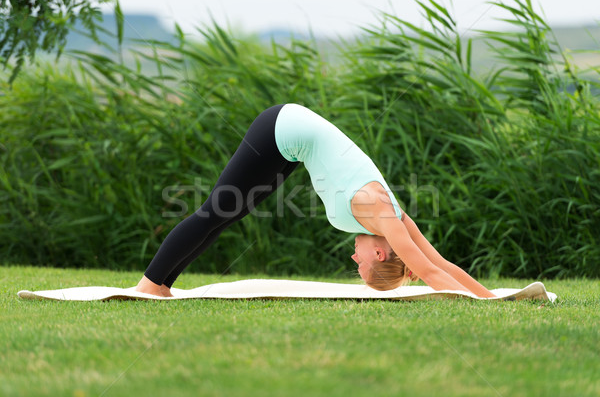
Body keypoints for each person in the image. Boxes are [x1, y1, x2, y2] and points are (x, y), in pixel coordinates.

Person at [135, 104, 496, 298]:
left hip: (293, 145)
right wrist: (478, 307)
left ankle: (163, 285)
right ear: (380, 254)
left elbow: (440, 262)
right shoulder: (383, 216)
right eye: (361, 264)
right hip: (282, 129)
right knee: (215, 210)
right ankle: (150, 284)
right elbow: (432, 271)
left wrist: (491, 299)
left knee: (226, 216)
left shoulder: (396, 221)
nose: (354, 257)